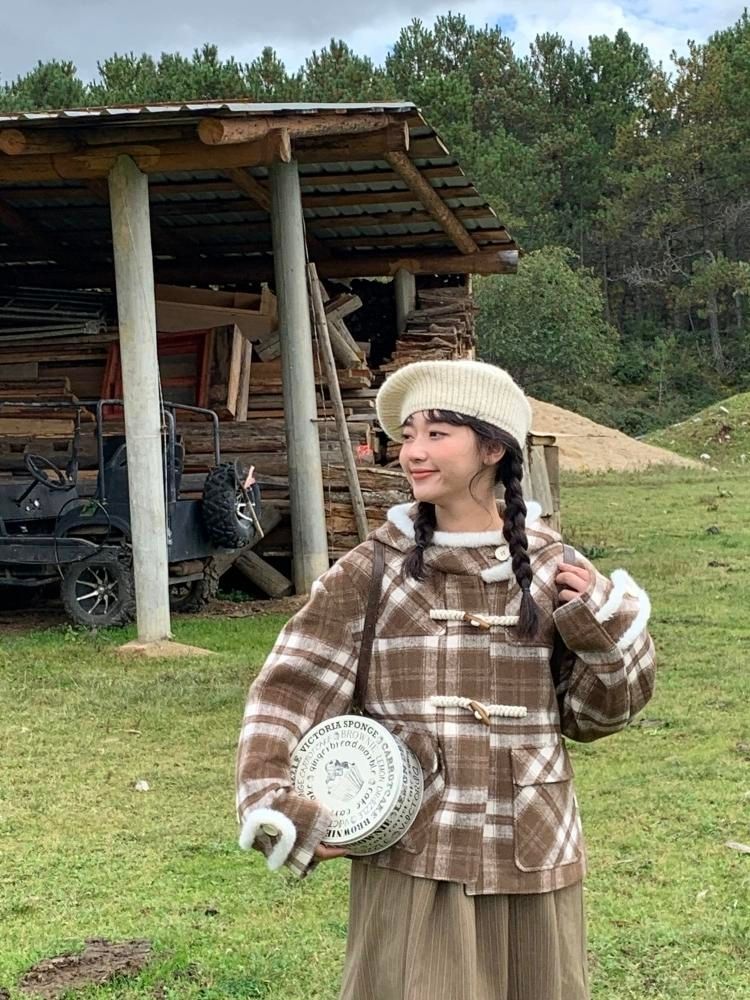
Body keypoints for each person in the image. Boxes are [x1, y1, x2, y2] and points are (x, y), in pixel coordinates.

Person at [236, 359, 656, 1000]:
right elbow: (290, 687)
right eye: (408, 435)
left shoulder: (555, 569)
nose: (413, 452)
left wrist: (604, 626)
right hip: (415, 848)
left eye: (436, 434)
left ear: (492, 448)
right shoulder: (373, 570)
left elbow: (596, 718)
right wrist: (274, 799)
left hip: (534, 846)